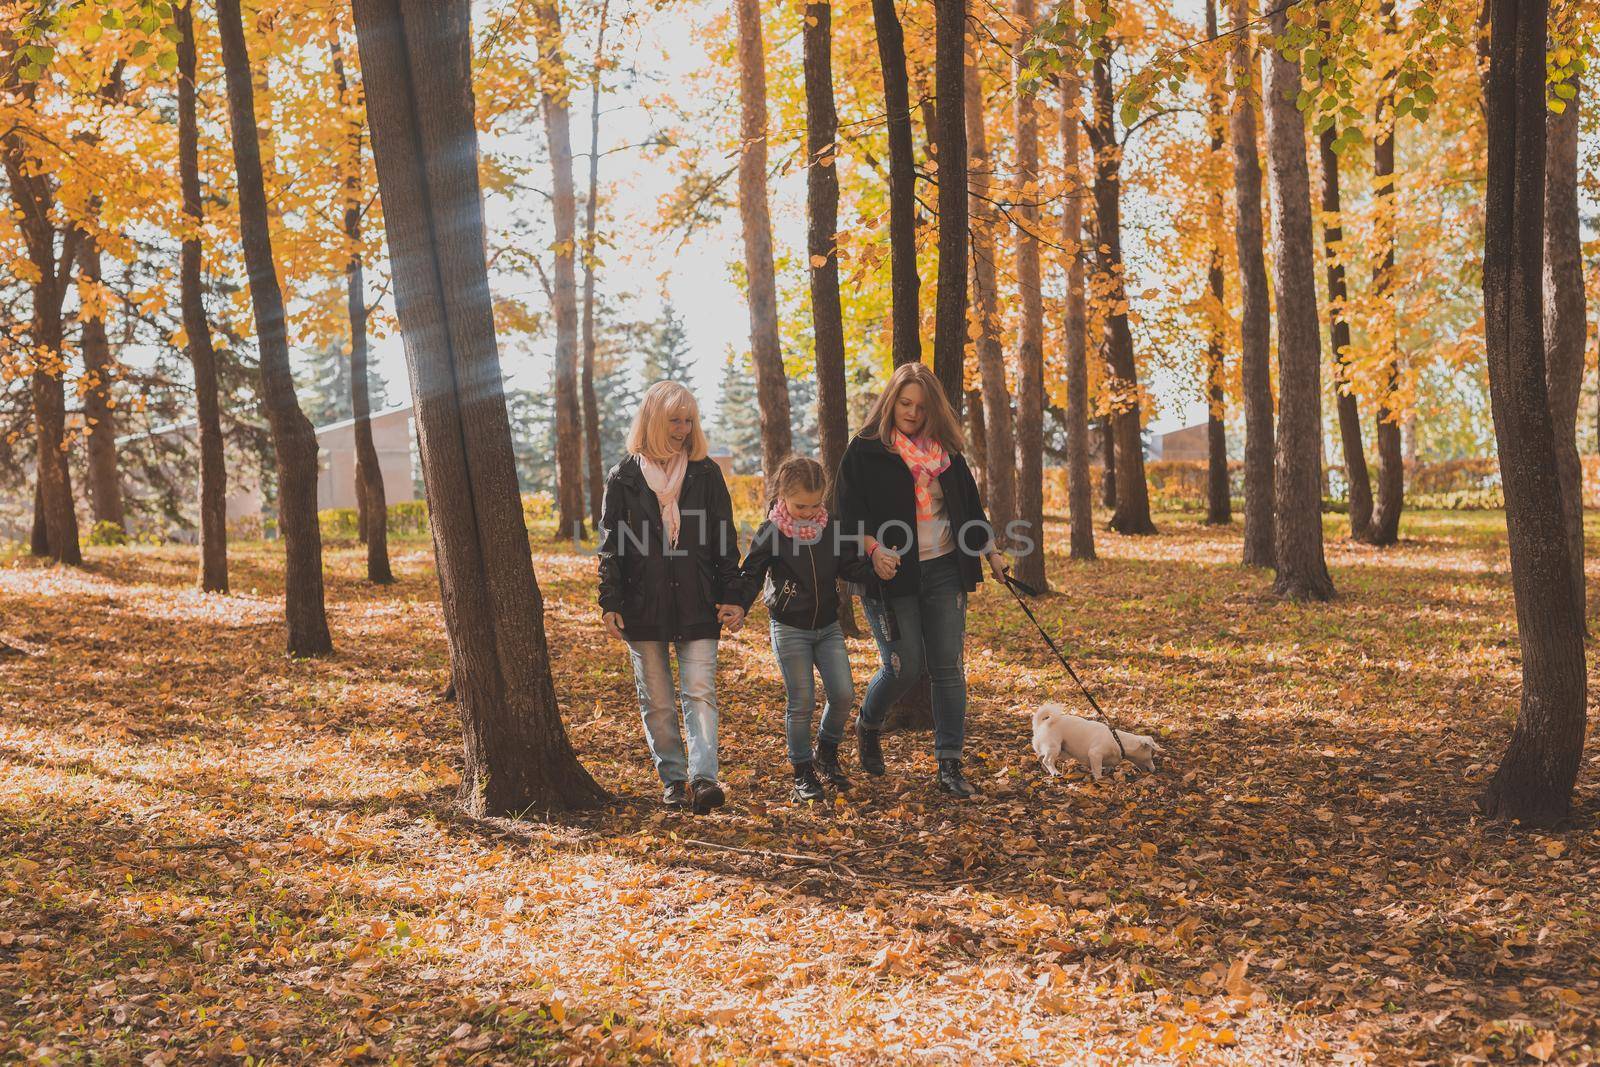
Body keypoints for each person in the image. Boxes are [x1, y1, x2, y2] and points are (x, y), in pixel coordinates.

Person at [834, 362, 1009, 798]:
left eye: (920, 406)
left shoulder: (947, 453)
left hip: (946, 566)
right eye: (904, 403)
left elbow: (970, 508)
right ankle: (869, 724)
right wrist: (874, 551)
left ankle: (950, 764)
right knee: (904, 665)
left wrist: (992, 552)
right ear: (891, 402)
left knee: (948, 666)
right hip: (892, 574)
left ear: (934, 410)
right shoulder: (866, 450)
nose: (911, 413)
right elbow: (847, 515)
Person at [597, 381, 745, 813]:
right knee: (657, 700)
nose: (683, 429)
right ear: (654, 421)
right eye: (674, 420)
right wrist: (610, 601)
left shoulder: (705, 472)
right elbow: (612, 545)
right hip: (643, 606)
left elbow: (724, 538)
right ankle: (674, 780)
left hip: (699, 600)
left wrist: (732, 594)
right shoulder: (624, 477)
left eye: (688, 420)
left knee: (700, 693)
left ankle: (704, 779)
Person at [735, 456, 875, 802]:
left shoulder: (831, 527)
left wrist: (877, 567)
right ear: (782, 496)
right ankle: (802, 771)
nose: (808, 512)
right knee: (802, 700)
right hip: (789, 627)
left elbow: (849, 567)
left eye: (815, 505)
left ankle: (825, 752)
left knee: (843, 694)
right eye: (800, 505)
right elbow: (751, 573)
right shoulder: (771, 532)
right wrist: (737, 604)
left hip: (827, 626)